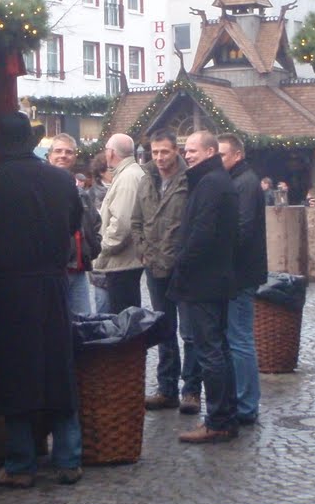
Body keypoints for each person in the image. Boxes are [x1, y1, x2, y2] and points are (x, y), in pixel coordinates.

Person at [0, 112, 83, 487]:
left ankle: (20, 463)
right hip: (53, 284)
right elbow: (74, 224)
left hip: (10, 289)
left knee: (15, 374)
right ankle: (68, 458)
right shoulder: (62, 180)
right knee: (59, 369)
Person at [172, 131, 240, 443]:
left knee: (210, 350)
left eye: (192, 150)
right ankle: (224, 416)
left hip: (203, 280)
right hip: (212, 279)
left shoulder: (211, 183)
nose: (187, 155)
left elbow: (203, 233)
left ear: (210, 151)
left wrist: (182, 261)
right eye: (185, 150)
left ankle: (218, 420)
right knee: (218, 349)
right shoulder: (214, 180)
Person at [218, 134, 265, 428]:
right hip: (237, 272)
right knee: (236, 338)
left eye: (222, 155)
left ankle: (246, 404)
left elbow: (243, 228)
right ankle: (241, 400)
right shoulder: (238, 180)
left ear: (236, 155)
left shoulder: (245, 182)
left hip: (241, 273)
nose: (218, 160)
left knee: (240, 339)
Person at [138, 131, 187, 410]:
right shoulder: (147, 179)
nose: (158, 158)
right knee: (164, 328)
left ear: (176, 151)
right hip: (154, 265)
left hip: (181, 266)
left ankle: (190, 387)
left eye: (164, 152)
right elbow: (136, 220)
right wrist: (143, 250)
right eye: (154, 152)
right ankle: (167, 388)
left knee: (190, 331)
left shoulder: (188, 179)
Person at [92, 133, 148, 314]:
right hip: (122, 261)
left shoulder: (128, 178)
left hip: (122, 263)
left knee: (124, 319)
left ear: (110, 153)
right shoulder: (128, 174)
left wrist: (102, 248)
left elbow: (122, 224)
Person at [47, 132, 92, 314]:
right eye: (58, 151)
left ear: (74, 157)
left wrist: (92, 247)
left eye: (68, 152)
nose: (63, 155)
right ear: (49, 155)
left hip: (79, 269)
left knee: (83, 324)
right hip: (53, 270)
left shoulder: (80, 190)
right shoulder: (41, 185)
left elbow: (92, 223)